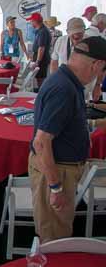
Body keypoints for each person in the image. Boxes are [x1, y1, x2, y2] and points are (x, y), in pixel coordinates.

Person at [29, 37, 106, 243]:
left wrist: (97, 124)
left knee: (58, 230)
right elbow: (41, 142)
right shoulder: (64, 88)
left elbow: (68, 124)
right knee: (55, 239)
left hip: (63, 168)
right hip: (57, 171)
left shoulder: (68, 80)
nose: (100, 76)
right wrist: (56, 188)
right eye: (103, 70)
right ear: (97, 64)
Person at [27, 12, 51, 89]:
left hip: (42, 60)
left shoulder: (42, 32)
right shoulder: (41, 30)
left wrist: (37, 61)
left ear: (35, 21)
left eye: (31, 21)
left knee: (41, 79)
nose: (30, 23)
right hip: (40, 58)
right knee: (39, 79)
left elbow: (41, 48)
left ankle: (41, 95)